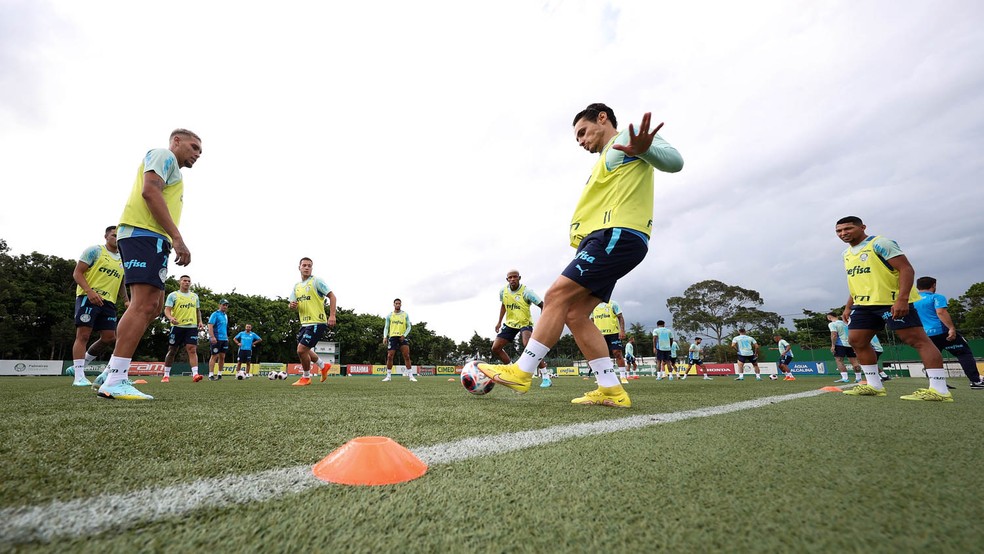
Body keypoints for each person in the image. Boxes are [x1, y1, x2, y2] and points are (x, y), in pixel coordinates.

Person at [476, 103, 683, 408]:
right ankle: (611, 389)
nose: (581, 141)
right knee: (574, 314)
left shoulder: (627, 137)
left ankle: (523, 370)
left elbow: (675, 162)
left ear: (603, 118)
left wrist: (646, 149)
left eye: (583, 132)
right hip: (603, 239)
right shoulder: (605, 161)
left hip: (617, 234)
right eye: (577, 139)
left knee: (556, 294)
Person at [95, 129, 202, 400]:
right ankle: (117, 377)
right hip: (144, 234)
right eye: (193, 147)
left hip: (151, 239)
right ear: (176, 142)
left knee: (153, 306)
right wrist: (177, 238)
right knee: (142, 305)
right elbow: (149, 191)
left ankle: (110, 371)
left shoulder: (172, 169)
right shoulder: (163, 155)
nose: (197, 154)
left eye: (200, 151)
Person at [834, 216, 950, 401]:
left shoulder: (880, 243)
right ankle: (874, 385)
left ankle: (939, 390)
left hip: (891, 302)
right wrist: (848, 306)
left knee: (916, 340)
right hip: (864, 305)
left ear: (862, 227)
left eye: (848, 228)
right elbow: (858, 282)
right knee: (856, 341)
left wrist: (902, 299)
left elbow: (906, 269)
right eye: (839, 231)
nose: (843, 233)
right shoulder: (846, 254)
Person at [70, 226, 129, 387]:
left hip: (108, 302)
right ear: (106, 236)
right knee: (83, 335)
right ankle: (79, 376)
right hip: (88, 298)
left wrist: (126, 299)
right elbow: (77, 273)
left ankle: (82, 364)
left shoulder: (123, 259)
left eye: (119, 236)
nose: (117, 238)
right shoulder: (94, 251)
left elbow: (122, 282)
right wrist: (89, 292)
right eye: (114, 235)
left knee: (109, 337)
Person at [913, 276, 983, 389]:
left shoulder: (912, 300)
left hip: (925, 334)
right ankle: (976, 381)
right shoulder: (937, 297)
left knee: (931, 358)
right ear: (933, 285)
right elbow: (941, 312)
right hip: (942, 332)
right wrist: (951, 328)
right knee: (963, 353)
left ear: (918, 287)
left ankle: (936, 384)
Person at [492, 269, 551, 387]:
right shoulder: (503, 291)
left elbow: (543, 306)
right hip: (510, 324)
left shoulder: (527, 292)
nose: (512, 279)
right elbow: (503, 305)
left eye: (515, 277)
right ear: (507, 279)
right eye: (510, 277)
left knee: (528, 345)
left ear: (519, 278)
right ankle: (512, 371)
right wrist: (499, 322)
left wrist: (543, 321)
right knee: (495, 348)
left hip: (525, 323)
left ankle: (545, 375)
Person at [288, 257, 336, 386]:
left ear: (312, 268)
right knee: (306, 349)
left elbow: (332, 296)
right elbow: (292, 304)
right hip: (304, 324)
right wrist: (292, 306)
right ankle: (323, 365)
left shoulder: (316, 281)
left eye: (309, 265)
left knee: (301, 350)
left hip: (317, 322)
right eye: (304, 265)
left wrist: (332, 316)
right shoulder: (297, 286)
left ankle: (306, 377)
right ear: (299, 267)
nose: (307, 267)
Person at [162, 275, 204, 383]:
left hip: (191, 327)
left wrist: (200, 321)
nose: (187, 283)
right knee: (172, 350)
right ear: (179, 282)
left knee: (192, 349)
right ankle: (166, 375)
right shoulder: (173, 295)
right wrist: (171, 318)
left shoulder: (194, 296)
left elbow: (197, 310)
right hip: (177, 327)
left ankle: (195, 374)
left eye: (189, 281)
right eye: (184, 281)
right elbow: (167, 310)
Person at [590, 300, 627, 383]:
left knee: (617, 353)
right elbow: (592, 320)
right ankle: (602, 377)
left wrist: (622, 330)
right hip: (599, 334)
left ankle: (623, 376)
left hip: (613, 333)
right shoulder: (593, 305)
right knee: (601, 356)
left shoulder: (613, 304)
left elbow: (620, 317)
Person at [382, 299, 415, 382]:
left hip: (402, 337)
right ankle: (388, 376)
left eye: (399, 303)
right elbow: (386, 327)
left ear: (401, 304)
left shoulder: (405, 315)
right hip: (393, 337)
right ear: (393, 304)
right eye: (396, 303)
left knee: (406, 356)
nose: (398, 305)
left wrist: (404, 335)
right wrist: (385, 336)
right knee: (390, 356)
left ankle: (411, 376)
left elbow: (409, 326)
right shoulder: (389, 315)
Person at [827, 312, 863, 383]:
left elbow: (834, 335)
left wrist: (833, 345)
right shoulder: (845, 323)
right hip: (851, 344)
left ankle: (845, 378)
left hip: (840, 344)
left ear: (829, 317)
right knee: (855, 362)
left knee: (839, 360)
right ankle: (858, 378)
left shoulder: (832, 324)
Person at [207, 300, 230, 380]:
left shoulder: (225, 315)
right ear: (219, 305)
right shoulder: (215, 314)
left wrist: (226, 337)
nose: (225, 307)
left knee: (222, 356)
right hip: (216, 338)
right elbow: (210, 326)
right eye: (224, 305)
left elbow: (224, 328)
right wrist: (212, 336)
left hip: (224, 339)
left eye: (226, 305)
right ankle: (211, 375)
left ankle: (220, 374)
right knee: (214, 356)